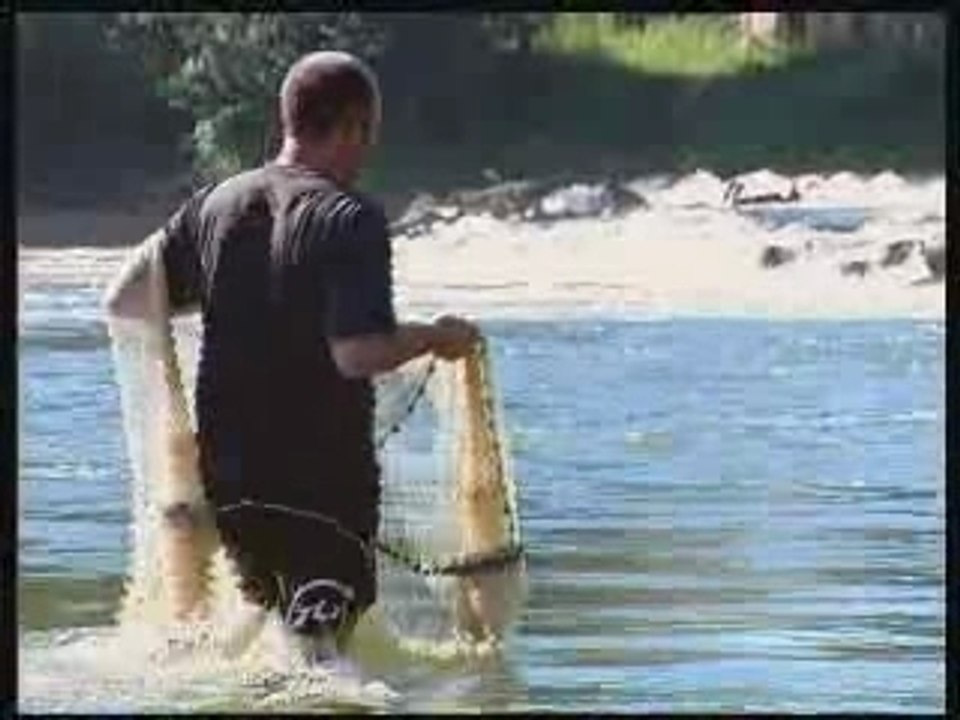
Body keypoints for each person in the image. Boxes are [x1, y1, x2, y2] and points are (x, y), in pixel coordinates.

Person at [103, 51, 479, 663]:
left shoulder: (215, 205)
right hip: (324, 491)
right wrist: (434, 337)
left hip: (232, 488)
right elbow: (358, 354)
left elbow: (125, 297)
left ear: (290, 120)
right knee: (324, 663)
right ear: (355, 125)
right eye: (369, 133)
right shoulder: (349, 217)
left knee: (274, 640)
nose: (368, 150)